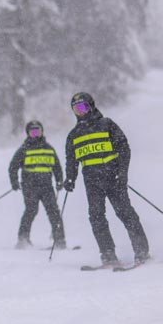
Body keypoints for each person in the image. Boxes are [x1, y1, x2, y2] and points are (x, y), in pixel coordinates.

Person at [63, 92, 150, 266]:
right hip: (92, 182)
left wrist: (123, 172)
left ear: (91, 106)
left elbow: (124, 148)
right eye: (76, 109)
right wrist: (70, 178)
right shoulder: (74, 135)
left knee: (125, 213)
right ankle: (108, 254)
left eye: (83, 107)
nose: (80, 112)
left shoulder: (107, 124)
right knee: (96, 217)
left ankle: (141, 251)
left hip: (113, 178)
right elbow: (71, 160)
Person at [8, 120, 66, 249]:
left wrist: (59, 180)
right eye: (32, 132)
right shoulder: (24, 149)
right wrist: (14, 181)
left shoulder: (49, 149)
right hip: (30, 187)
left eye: (37, 131)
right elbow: (13, 166)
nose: (35, 134)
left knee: (54, 211)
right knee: (31, 210)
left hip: (47, 187)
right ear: (28, 133)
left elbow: (57, 167)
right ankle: (23, 239)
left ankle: (60, 240)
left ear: (42, 132)